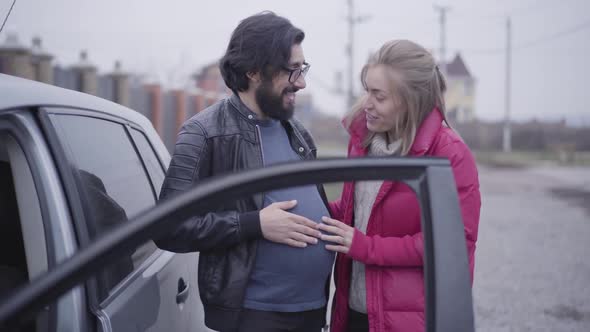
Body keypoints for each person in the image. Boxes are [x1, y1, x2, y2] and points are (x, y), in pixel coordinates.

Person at [155, 12, 333, 332]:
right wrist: (255, 224)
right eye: (291, 70)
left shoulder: (296, 131)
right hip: (255, 317)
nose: (302, 82)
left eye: (302, 68)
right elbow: (169, 227)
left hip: (311, 310)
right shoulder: (204, 133)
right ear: (253, 72)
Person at [319, 39, 481, 332]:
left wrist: (365, 247)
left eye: (378, 96)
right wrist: (309, 209)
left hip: (411, 320)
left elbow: (449, 245)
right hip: (355, 313)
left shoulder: (450, 154)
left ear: (410, 100)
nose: (367, 103)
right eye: (366, 90)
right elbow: (356, 212)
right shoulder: (363, 142)